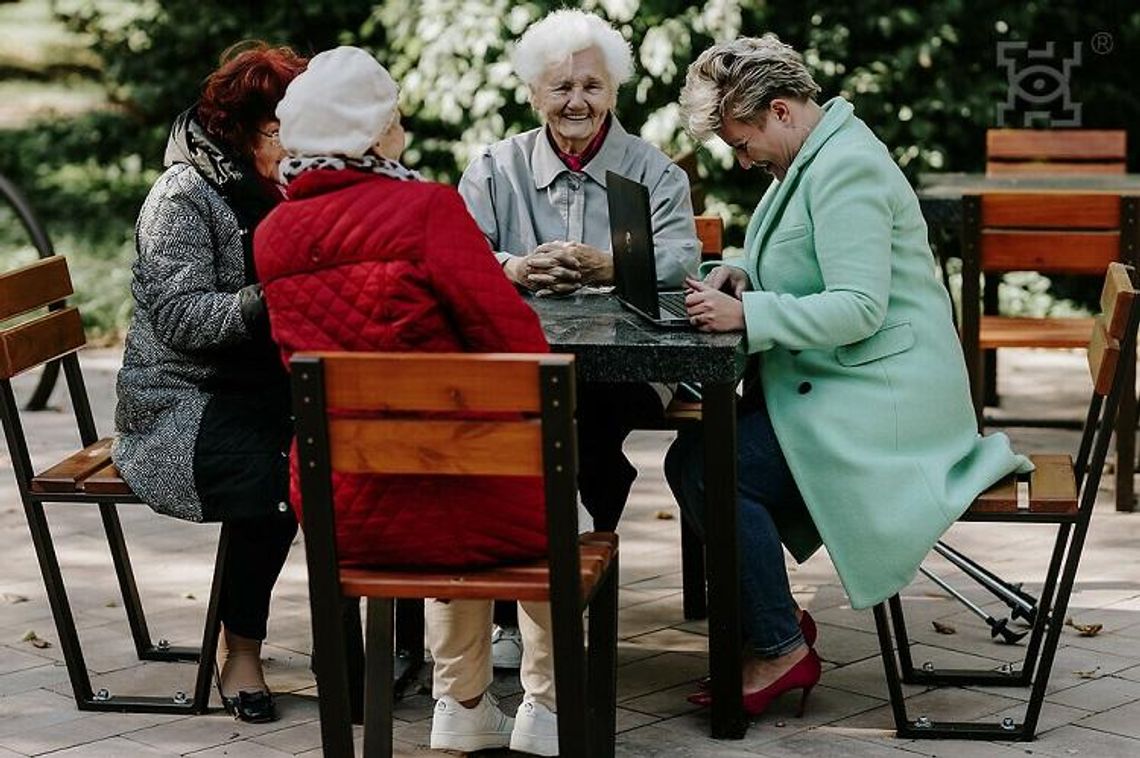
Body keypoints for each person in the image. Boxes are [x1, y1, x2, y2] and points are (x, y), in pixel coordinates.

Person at [668, 35, 1032, 717]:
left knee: (714, 468)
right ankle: (773, 627)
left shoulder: (846, 167)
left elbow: (859, 307)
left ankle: (779, 646)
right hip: (847, 387)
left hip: (885, 408)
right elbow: (808, 264)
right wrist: (745, 275)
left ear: (779, 110)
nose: (742, 160)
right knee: (698, 460)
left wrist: (746, 315)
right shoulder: (815, 155)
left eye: (741, 142)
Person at [255, 46, 560, 756]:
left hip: (347, 505)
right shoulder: (425, 207)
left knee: (449, 490)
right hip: (468, 493)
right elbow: (516, 344)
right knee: (549, 493)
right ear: (369, 132)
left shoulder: (272, 235)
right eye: (390, 116)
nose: (400, 127)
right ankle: (544, 709)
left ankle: (462, 706)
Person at [458, 6, 700, 665]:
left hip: (629, 366)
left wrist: (612, 265)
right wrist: (515, 266)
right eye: (561, 87)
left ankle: (570, 592)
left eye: (592, 86)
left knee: (584, 426)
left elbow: (686, 260)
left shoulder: (653, 171)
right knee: (512, 432)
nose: (577, 101)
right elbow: (459, 256)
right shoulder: (494, 169)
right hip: (525, 363)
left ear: (614, 93)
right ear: (534, 92)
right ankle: (513, 611)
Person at [112, 42, 307, 723]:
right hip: (180, 405)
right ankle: (241, 652)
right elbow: (181, 317)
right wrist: (278, 294)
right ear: (247, 126)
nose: (300, 140)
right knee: (281, 479)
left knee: (363, 442)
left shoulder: (281, 181)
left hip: (260, 386)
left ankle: (375, 655)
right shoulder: (181, 196)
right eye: (286, 125)